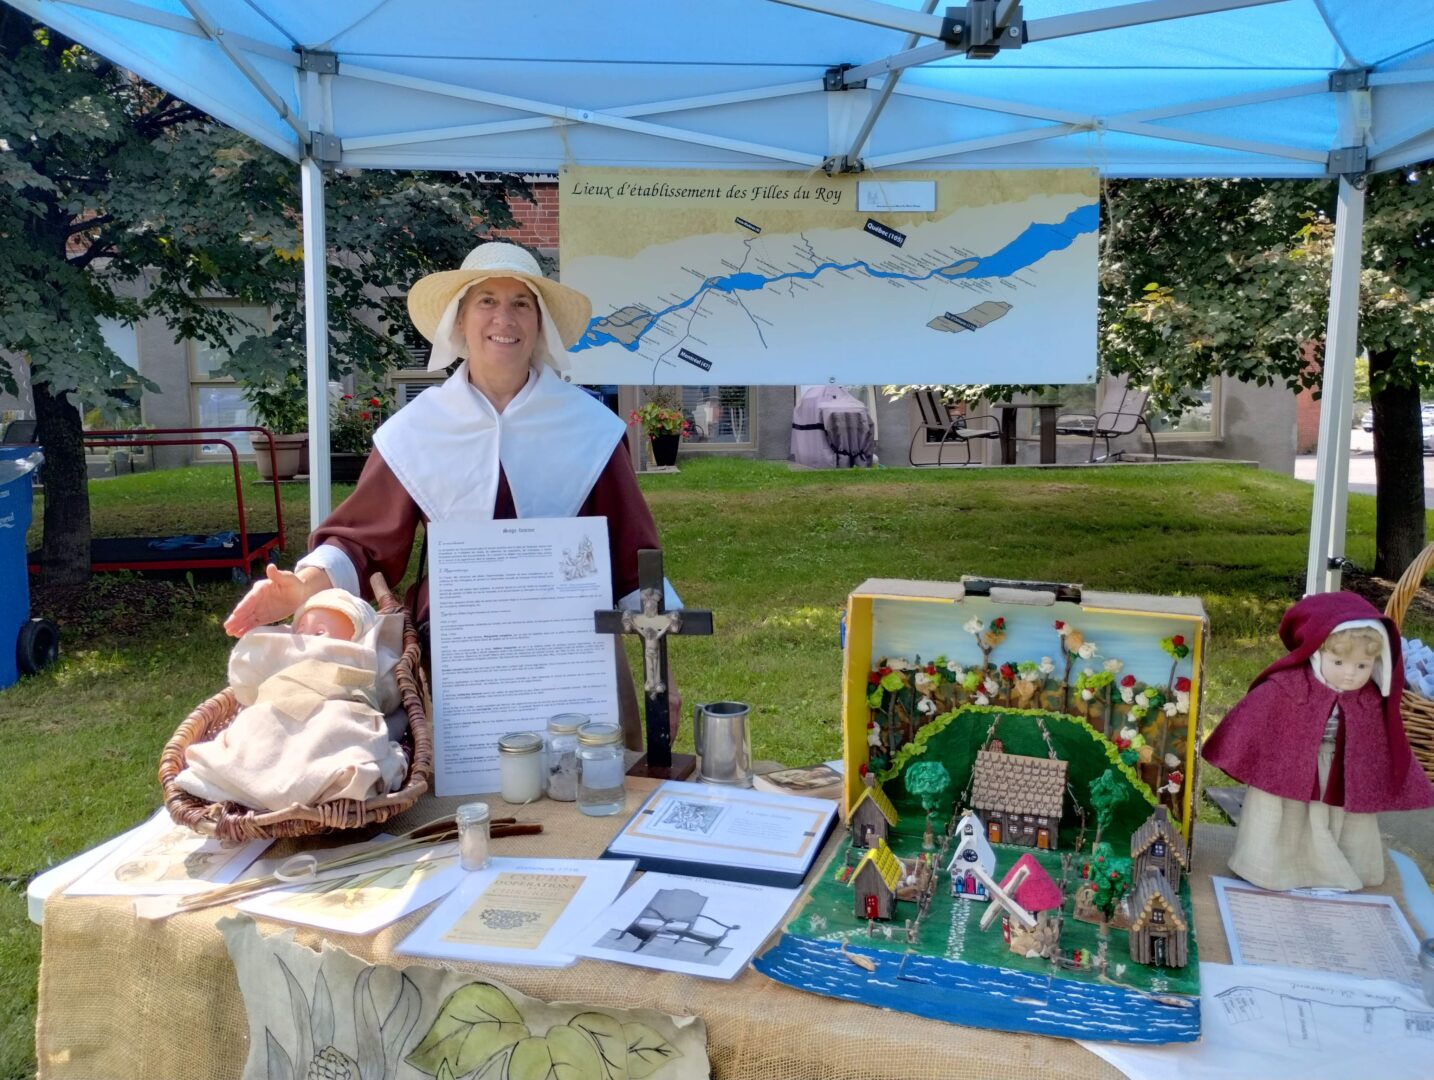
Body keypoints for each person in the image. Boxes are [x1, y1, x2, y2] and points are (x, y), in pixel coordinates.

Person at [223, 242, 669, 745]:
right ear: (458, 321)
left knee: (593, 785)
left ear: (539, 324)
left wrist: (659, 679)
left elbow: (635, 559)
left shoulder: (590, 429)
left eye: (521, 303)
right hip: (459, 646)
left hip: (569, 646)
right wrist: (302, 587)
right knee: (466, 795)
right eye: (486, 301)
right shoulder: (416, 430)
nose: (505, 317)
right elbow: (362, 540)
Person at [1202, 592, 1434, 890]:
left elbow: (1384, 744)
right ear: (1316, 653)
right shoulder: (1288, 687)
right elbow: (1253, 718)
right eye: (1338, 661)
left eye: (1362, 666)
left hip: (1341, 774)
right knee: (1284, 818)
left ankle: (1346, 866)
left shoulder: (1370, 700)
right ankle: (1271, 868)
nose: (1350, 674)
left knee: (1346, 821)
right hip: (1288, 770)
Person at [181, 589, 407, 811]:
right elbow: (249, 686)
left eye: (319, 633)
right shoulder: (286, 655)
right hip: (275, 710)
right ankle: (241, 772)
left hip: (333, 712)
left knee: (338, 726)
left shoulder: (361, 661)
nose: (306, 638)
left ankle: (322, 778)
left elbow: (388, 694)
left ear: (356, 639)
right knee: (254, 726)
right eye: (299, 631)